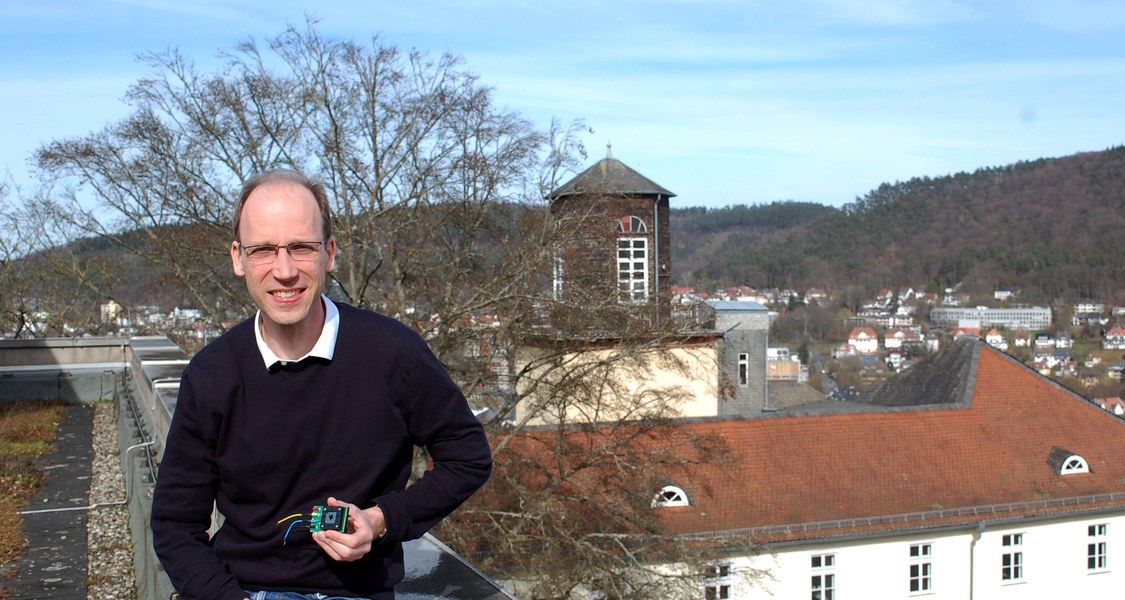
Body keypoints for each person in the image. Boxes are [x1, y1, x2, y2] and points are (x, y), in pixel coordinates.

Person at [151, 169, 492, 600]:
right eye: (264, 251)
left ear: (329, 253)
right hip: (246, 591)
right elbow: (175, 524)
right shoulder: (211, 375)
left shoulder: (392, 354)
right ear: (238, 258)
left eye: (301, 248)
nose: (285, 270)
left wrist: (380, 519)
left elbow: (468, 456)